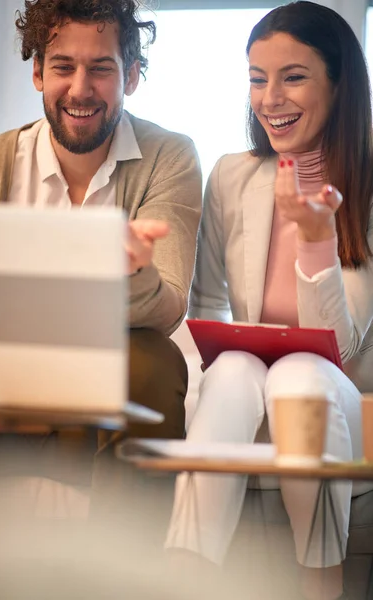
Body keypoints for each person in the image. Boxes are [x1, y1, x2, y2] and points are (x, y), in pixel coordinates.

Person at [165, 2, 373, 599]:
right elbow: (202, 312)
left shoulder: (366, 183)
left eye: (293, 77)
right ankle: (184, 578)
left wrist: (316, 241)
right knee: (229, 368)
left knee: (301, 374)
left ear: (339, 83)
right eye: (257, 78)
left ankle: (321, 581)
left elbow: (346, 344)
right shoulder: (232, 176)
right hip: (242, 387)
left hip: (337, 395)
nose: (270, 97)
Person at [0, 0, 202, 441]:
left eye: (100, 68)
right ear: (37, 72)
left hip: (115, 360)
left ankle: (128, 513)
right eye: (63, 67)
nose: (81, 89)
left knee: (155, 358)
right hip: (3, 361)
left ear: (130, 76)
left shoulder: (167, 158)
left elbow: (169, 308)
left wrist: (133, 272)